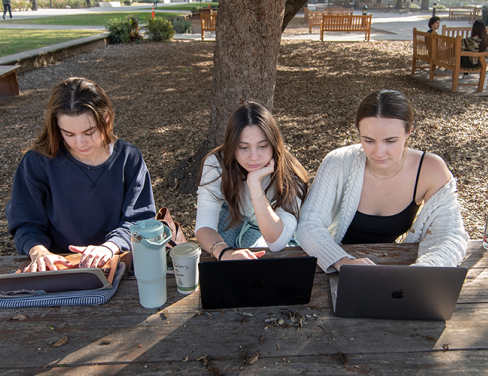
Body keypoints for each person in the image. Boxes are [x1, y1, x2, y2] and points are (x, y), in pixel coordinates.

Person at [296, 90, 468, 273]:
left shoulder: (431, 169)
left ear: (409, 132)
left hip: (394, 268)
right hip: (330, 263)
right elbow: (308, 225)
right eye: (368, 140)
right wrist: (342, 261)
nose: (379, 153)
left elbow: (450, 236)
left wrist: (421, 273)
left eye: (390, 141)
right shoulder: (338, 162)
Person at [5, 77, 157, 272]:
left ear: (107, 118)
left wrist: (110, 247)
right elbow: (26, 222)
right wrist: (38, 251)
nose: (80, 143)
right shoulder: (37, 162)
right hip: (58, 267)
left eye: (89, 132)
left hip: (117, 262)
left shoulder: (128, 158)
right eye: (68, 134)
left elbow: (140, 219)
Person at [195, 101, 308, 261]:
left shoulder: (290, 174)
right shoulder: (217, 164)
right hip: (231, 225)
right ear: (232, 146)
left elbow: (277, 243)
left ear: (274, 144)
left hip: (272, 234)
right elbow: (204, 226)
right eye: (244, 147)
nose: (254, 157)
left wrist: (254, 184)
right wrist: (224, 253)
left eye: (262, 146)